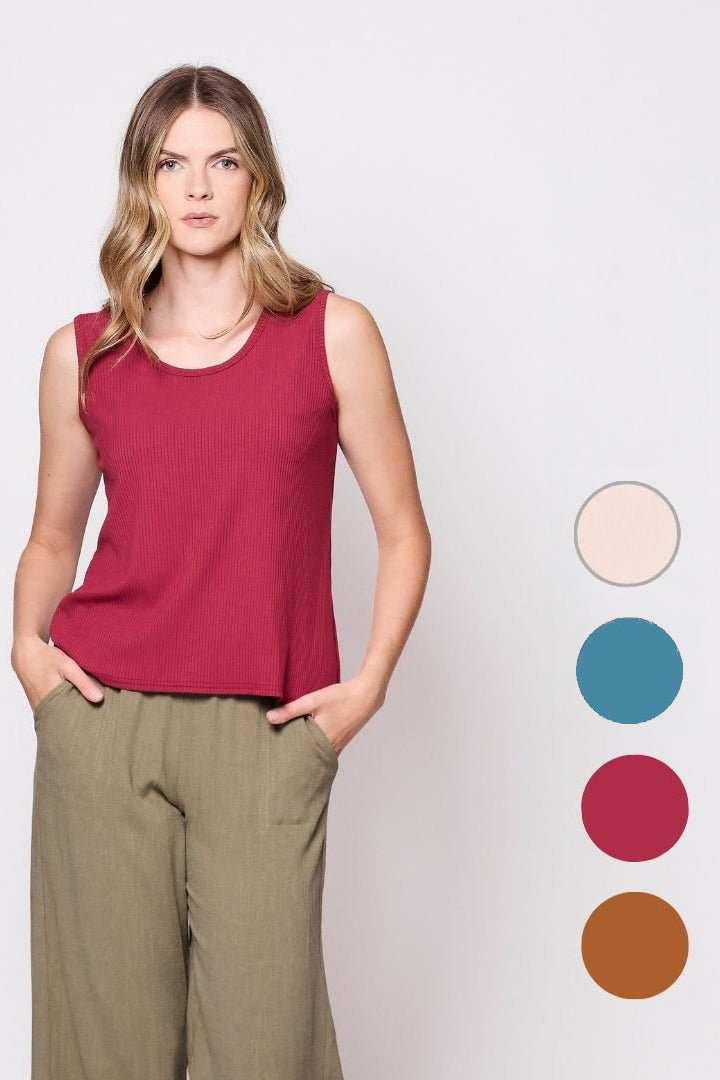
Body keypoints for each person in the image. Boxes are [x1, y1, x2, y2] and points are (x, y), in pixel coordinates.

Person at [11, 63, 431, 1079]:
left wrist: (368, 686)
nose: (197, 187)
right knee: (104, 1052)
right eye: (172, 163)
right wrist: (28, 654)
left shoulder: (333, 334)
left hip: (267, 732)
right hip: (104, 728)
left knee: (264, 1048)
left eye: (223, 162)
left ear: (258, 180)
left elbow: (403, 530)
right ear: (142, 183)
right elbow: (54, 539)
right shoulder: (84, 354)